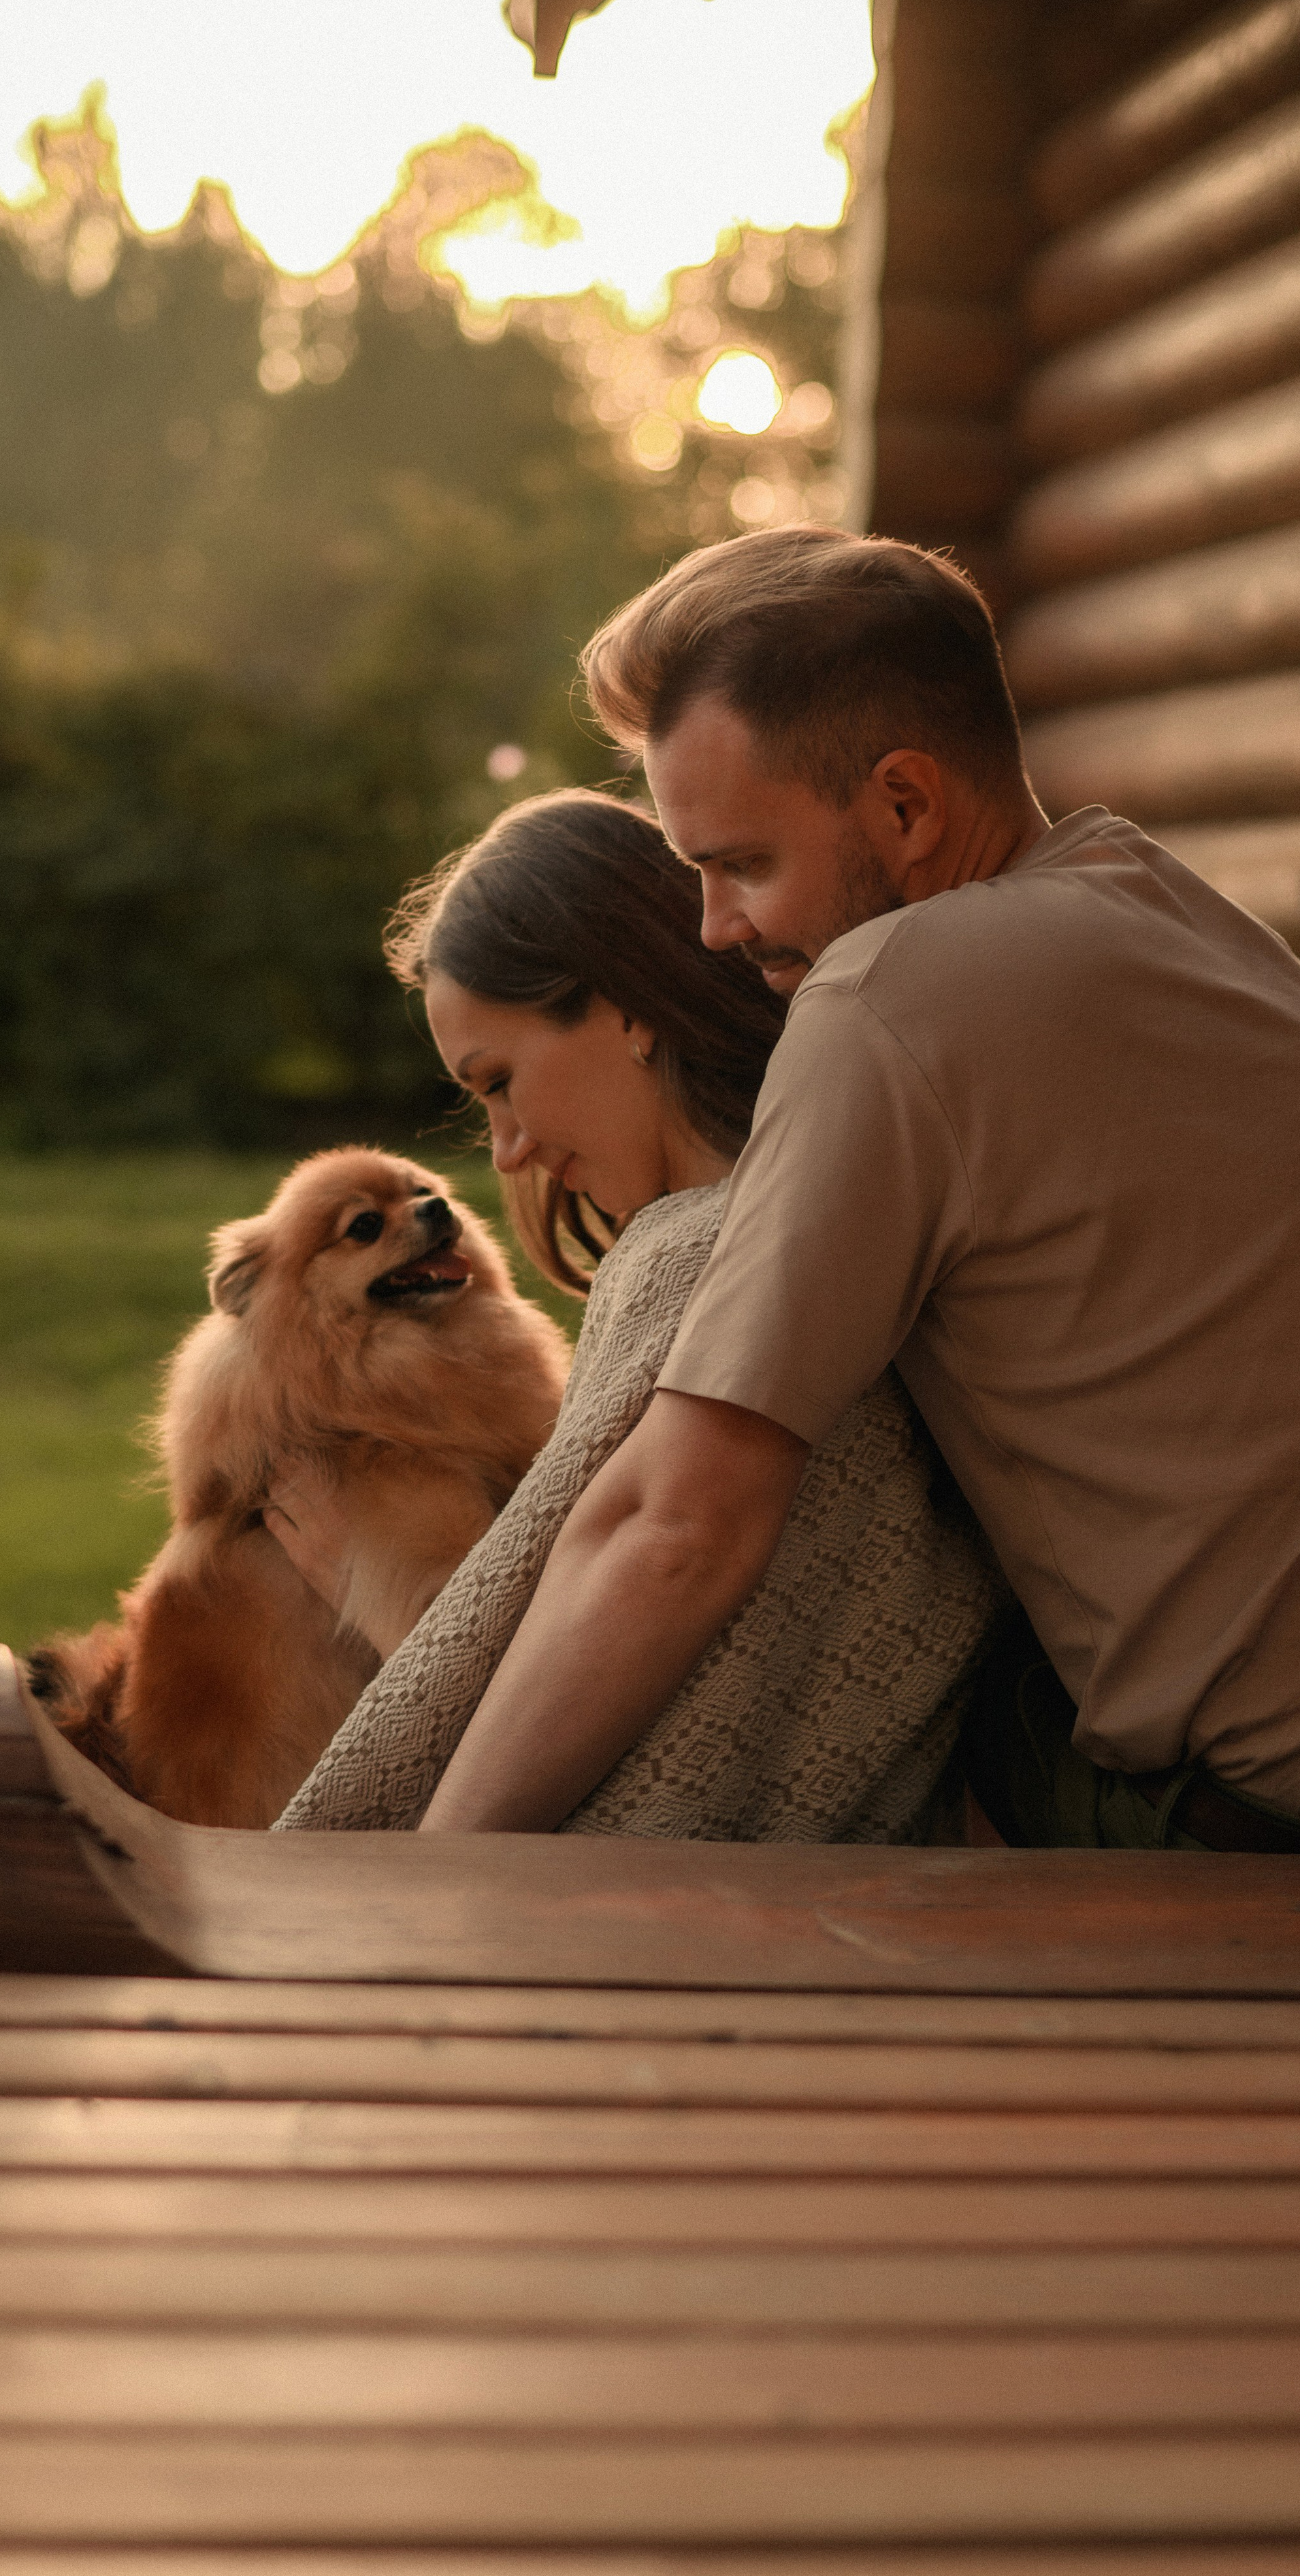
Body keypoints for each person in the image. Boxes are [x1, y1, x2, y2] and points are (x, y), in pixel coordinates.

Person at [404, 525, 1300, 1859]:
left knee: (891, 1619)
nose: (711, 926)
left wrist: (449, 1872)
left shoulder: (884, 1000)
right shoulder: (1145, 893)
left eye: (740, 864)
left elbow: (679, 1527)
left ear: (907, 807)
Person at [270, 787, 1004, 1841]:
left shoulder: (700, 1257)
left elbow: (626, 1585)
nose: (509, 1149)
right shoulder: (831, 1208)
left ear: (622, 1007)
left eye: (501, 1083)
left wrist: (427, 1868)